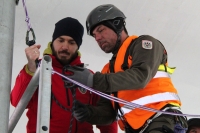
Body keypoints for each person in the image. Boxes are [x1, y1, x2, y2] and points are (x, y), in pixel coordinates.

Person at [65, 4, 188, 133]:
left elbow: (140, 76)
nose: (98, 38)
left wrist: (93, 80)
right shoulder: (107, 71)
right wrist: (88, 113)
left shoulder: (144, 44)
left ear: (117, 24)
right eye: (94, 35)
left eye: (100, 30)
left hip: (162, 119)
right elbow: (109, 114)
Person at [10, 17, 117, 133]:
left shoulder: (88, 77)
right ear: (53, 42)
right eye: (60, 40)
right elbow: (17, 101)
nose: (65, 47)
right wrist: (31, 68)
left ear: (78, 46)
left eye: (71, 42)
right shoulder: (37, 70)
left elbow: (107, 117)